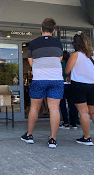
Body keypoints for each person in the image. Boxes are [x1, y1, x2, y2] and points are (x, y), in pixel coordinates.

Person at [20, 18, 63, 148]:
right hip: (56, 79)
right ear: (53, 31)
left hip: (39, 79)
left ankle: (29, 135)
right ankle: (52, 139)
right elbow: (59, 59)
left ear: (41, 29)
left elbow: (31, 63)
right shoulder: (58, 44)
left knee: (34, 108)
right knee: (54, 108)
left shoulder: (33, 43)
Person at [65, 33, 94, 145]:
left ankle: (87, 138)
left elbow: (67, 70)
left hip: (79, 84)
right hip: (93, 84)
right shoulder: (93, 55)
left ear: (75, 44)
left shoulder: (76, 55)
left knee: (83, 112)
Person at [59, 51, 79, 130]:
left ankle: (66, 122)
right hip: (71, 84)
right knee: (72, 104)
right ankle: (74, 123)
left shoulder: (60, 64)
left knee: (62, 104)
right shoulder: (72, 64)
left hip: (62, 84)